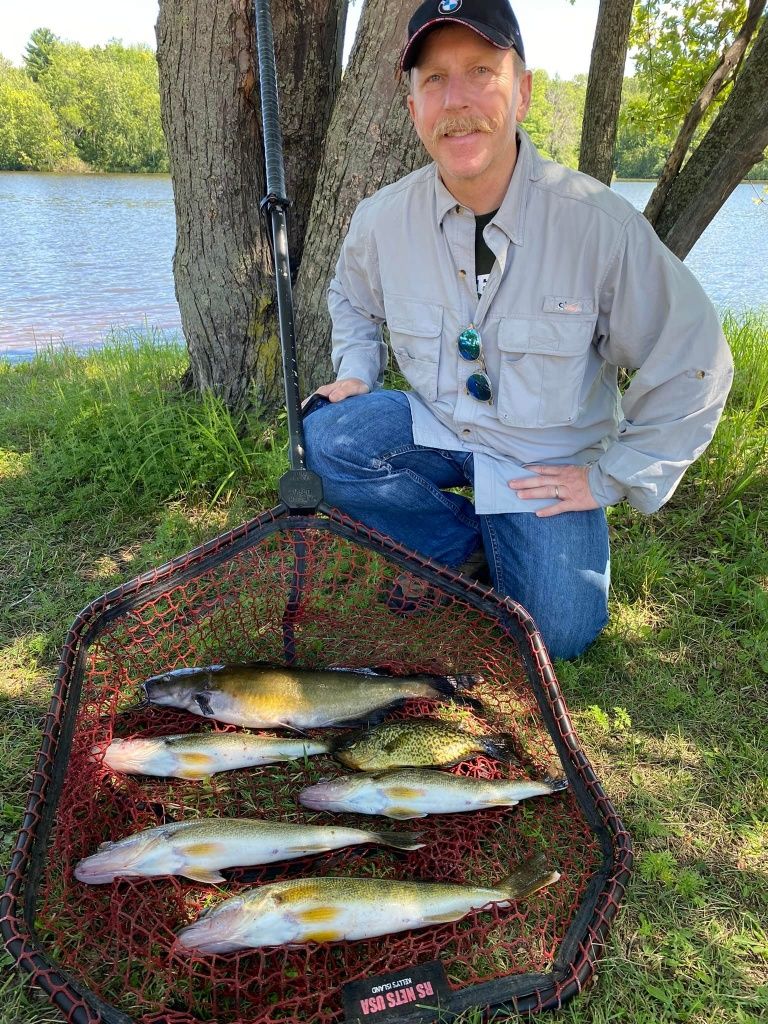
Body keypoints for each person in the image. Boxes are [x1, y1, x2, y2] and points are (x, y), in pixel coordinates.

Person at [302, 0, 733, 660]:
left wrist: (610, 476)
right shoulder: (380, 220)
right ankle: (464, 546)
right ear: (412, 103)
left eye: (481, 70)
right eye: (435, 79)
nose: (458, 100)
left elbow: (696, 358)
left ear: (524, 90)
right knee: (325, 441)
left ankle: (501, 546)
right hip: (443, 423)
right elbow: (351, 297)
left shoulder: (598, 226)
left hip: (545, 462)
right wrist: (358, 369)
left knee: (558, 633)